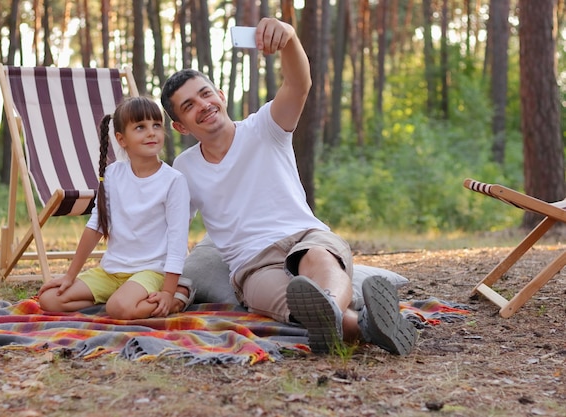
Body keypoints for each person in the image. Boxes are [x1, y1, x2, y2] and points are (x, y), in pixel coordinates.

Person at [161, 18, 417, 355]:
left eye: (205, 94)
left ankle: (337, 313)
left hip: (304, 236)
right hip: (253, 264)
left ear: (220, 95)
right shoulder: (185, 167)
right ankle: (367, 326)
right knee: (295, 301)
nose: (203, 106)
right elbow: (171, 228)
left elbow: (298, 84)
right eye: (189, 106)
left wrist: (290, 38)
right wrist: (153, 284)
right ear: (180, 126)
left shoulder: (265, 126)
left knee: (318, 262)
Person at [38, 96, 193, 319]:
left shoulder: (174, 181)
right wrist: (70, 275)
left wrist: (168, 292)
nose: (151, 132)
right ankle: (120, 298)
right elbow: (95, 226)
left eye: (156, 125)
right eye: (140, 127)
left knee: (119, 308)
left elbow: (178, 241)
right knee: (50, 299)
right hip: (111, 271)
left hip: (151, 271)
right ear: (121, 139)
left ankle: (177, 298)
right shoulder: (112, 174)